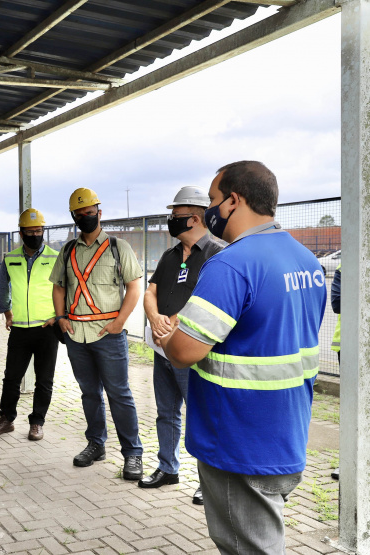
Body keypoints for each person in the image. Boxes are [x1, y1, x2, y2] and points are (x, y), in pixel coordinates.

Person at [161, 161, 326, 554]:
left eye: (213, 201)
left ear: (234, 201)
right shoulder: (306, 261)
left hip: (238, 442)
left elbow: (185, 352)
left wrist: (167, 336)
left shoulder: (231, 264)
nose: (208, 213)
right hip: (285, 433)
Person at [50, 187, 145, 481]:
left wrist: (120, 322)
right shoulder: (67, 250)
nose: (85, 217)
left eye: (89, 212)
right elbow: (58, 286)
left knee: (119, 395)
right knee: (90, 393)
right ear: (73, 217)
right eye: (79, 214)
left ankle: (132, 454)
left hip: (108, 335)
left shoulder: (119, 247)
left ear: (99, 213)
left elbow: (135, 286)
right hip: (76, 335)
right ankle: (96, 444)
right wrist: (61, 317)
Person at [139, 186, 222, 505]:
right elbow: (150, 291)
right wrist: (155, 316)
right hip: (163, 350)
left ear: (196, 218)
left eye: (176, 217)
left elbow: (212, 303)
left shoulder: (217, 253)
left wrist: (174, 321)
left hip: (194, 353)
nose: (171, 221)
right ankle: (167, 468)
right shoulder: (170, 256)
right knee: (166, 411)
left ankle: (208, 481)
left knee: (200, 416)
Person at [0, 208, 60, 441]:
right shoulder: (10, 258)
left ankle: (37, 422)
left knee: (44, 379)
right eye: (30, 231)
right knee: (11, 378)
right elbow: (2, 287)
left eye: (38, 231)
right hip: (19, 328)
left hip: (47, 328)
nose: (35, 235)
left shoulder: (55, 258)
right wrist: (7, 312)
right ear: (21, 233)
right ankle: (6, 419)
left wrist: (58, 316)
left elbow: (66, 290)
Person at [331, 262, 341, 480]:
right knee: (352, 407)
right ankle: (348, 460)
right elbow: (338, 302)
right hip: (349, 346)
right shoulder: (344, 265)